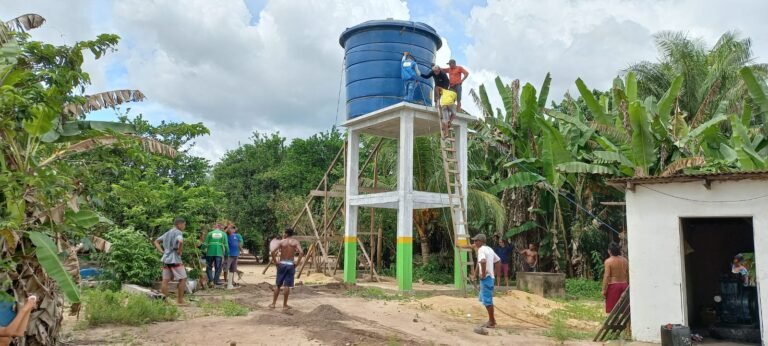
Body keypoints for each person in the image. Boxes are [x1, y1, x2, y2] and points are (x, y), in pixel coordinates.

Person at [154, 217, 187, 305]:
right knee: (183, 279)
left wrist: (162, 251)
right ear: (179, 224)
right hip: (175, 258)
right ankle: (180, 300)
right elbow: (180, 240)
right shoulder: (178, 232)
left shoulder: (168, 232)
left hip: (166, 258)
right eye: (184, 224)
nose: (184, 226)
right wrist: (180, 250)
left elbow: (156, 241)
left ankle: (164, 301)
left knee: (165, 280)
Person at [269, 228, 303, 310]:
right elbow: (301, 252)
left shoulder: (282, 242)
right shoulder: (295, 242)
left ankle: (273, 304)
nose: (283, 234)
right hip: (290, 264)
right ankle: (284, 305)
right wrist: (297, 263)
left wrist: (275, 261)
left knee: (278, 285)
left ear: (286, 234)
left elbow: (272, 251)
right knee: (287, 286)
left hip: (282, 264)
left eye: (284, 233)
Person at [472, 233, 500, 329]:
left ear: (481, 241)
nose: (474, 242)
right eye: (474, 240)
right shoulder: (489, 249)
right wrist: (494, 273)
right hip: (490, 277)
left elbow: (483, 261)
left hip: (486, 278)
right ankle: (492, 320)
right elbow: (498, 261)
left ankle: (492, 321)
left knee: (487, 301)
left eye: (476, 240)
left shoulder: (481, 250)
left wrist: (483, 275)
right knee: (485, 299)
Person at [602, 242, 629, 313]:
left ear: (609, 251)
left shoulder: (608, 261)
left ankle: (611, 324)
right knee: (624, 310)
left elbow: (606, 276)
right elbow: (628, 274)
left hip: (614, 286)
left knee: (612, 311)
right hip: (625, 285)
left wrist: (604, 290)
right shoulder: (625, 260)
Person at [224, 225, 244, 289]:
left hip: (235, 254)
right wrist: (228, 227)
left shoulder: (237, 235)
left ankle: (230, 282)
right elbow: (224, 233)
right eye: (231, 229)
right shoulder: (226, 236)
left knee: (232, 268)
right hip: (229, 254)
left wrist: (241, 250)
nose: (232, 230)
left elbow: (238, 244)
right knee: (226, 267)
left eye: (233, 228)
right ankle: (226, 281)